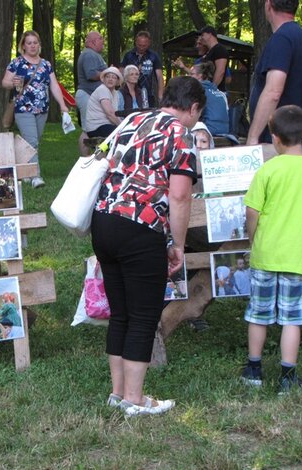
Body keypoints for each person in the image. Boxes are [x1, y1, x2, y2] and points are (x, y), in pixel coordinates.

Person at [91, 76, 205, 416]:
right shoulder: (180, 133)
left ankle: (117, 393)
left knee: (121, 313)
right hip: (141, 226)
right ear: (194, 107)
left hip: (103, 220)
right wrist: (178, 245)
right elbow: (180, 194)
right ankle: (135, 399)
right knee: (143, 315)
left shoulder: (131, 120)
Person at [240, 105, 302, 394]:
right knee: (292, 318)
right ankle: (287, 376)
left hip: (265, 254)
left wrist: (253, 236)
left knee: (259, 313)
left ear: (275, 138)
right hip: (298, 256)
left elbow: (252, 211)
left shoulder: (268, 169)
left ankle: (254, 369)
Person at [2, 30, 70, 189]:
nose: (32, 46)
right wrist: (14, 83)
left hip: (42, 109)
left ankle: (22, 169)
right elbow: (4, 82)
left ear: (39, 45)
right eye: (29, 43)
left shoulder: (46, 64)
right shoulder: (17, 63)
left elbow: (54, 85)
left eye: (35, 43)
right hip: (23, 108)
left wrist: (63, 105)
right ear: (23, 46)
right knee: (32, 141)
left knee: (31, 142)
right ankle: (35, 177)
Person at [246, 0, 302, 145]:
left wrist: (253, 137)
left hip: (275, 138)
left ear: (268, 5)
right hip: (293, 136)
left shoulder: (281, 39)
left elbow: (273, 91)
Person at [120, 31, 164, 107]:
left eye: (144, 45)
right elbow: (121, 73)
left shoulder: (153, 56)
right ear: (135, 42)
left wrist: (160, 94)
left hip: (148, 93)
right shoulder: (128, 55)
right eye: (139, 45)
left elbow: (159, 77)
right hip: (130, 93)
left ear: (149, 43)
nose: (141, 47)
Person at [76, 31, 107, 128]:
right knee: (88, 129)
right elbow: (91, 74)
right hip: (87, 95)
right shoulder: (89, 54)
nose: (103, 42)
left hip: (92, 96)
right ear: (94, 41)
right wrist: (108, 73)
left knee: (93, 129)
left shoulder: (93, 54)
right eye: (101, 39)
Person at [189, 61, 230, 136]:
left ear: (200, 76)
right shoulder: (221, 93)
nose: (189, 76)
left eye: (192, 74)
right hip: (225, 130)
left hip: (208, 130)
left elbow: (192, 114)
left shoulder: (198, 91)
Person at [84, 67, 123, 138]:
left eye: (114, 77)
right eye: (108, 77)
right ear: (104, 79)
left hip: (106, 125)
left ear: (117, 81)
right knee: (123, 135)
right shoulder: (102, 89)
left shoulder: (115, 93)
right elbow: (110, 114)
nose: (110, 79)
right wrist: (122, 126)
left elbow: (115, 114)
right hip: (96, 127)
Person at [198, 26, 229, 91]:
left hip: (216, 92)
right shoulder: (208, 52)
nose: (201, 38)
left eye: (202, 35)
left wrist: (212, 89)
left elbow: (220, 71)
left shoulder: (220, 49)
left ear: (210, 34)